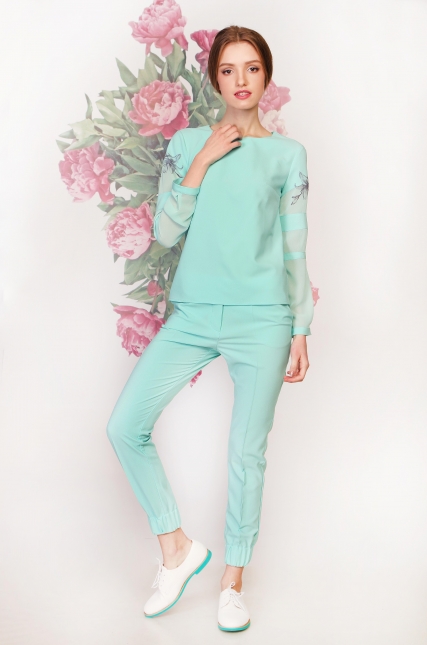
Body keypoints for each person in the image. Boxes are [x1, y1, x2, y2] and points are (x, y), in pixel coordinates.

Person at [106, 25, 313, 632]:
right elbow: (165, 233)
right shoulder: (187, 143)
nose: (241, 80)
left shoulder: (288, 155)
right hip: (193, 315)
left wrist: (301, 327)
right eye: (228, 70)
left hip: (264, 320)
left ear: (266, 76)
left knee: (246, 453)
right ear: (214, 79)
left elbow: (295, 248)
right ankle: (177, 549)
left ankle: (233, 582)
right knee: (124, 426)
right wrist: (201, 161)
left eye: (252, 68)